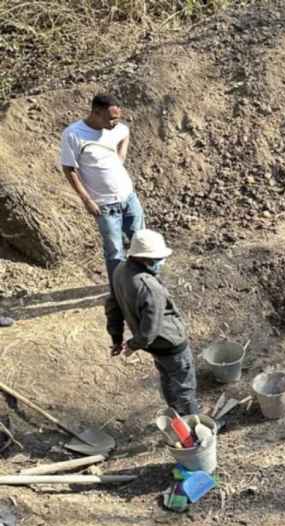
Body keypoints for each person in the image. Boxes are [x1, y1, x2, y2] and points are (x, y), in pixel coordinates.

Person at [105, 229, 201, 416]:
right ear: (145, 259)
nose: (161, 262)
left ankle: (176, 416)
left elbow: (112, 307)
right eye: (158, 259)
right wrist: (133, 345)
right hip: (171, 343)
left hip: (155, 348)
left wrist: (116, 338)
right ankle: (193, 427)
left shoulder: (119, 271)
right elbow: (150, 330)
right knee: (185, 387)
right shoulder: (150, 288)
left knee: (167, 378)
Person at [60, 94, 145, 287]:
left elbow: (125, 132)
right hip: (105, 205)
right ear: (96, 113)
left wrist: (120, 157)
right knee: (114, 251)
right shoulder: (73, 134)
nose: (115, 122)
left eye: (117, 117)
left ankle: (143, 282)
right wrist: (87, 200)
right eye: (111, 118)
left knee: (141, 241)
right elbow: (69, 169)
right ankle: (119, 291)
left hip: (128, 197)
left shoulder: (116, 128)